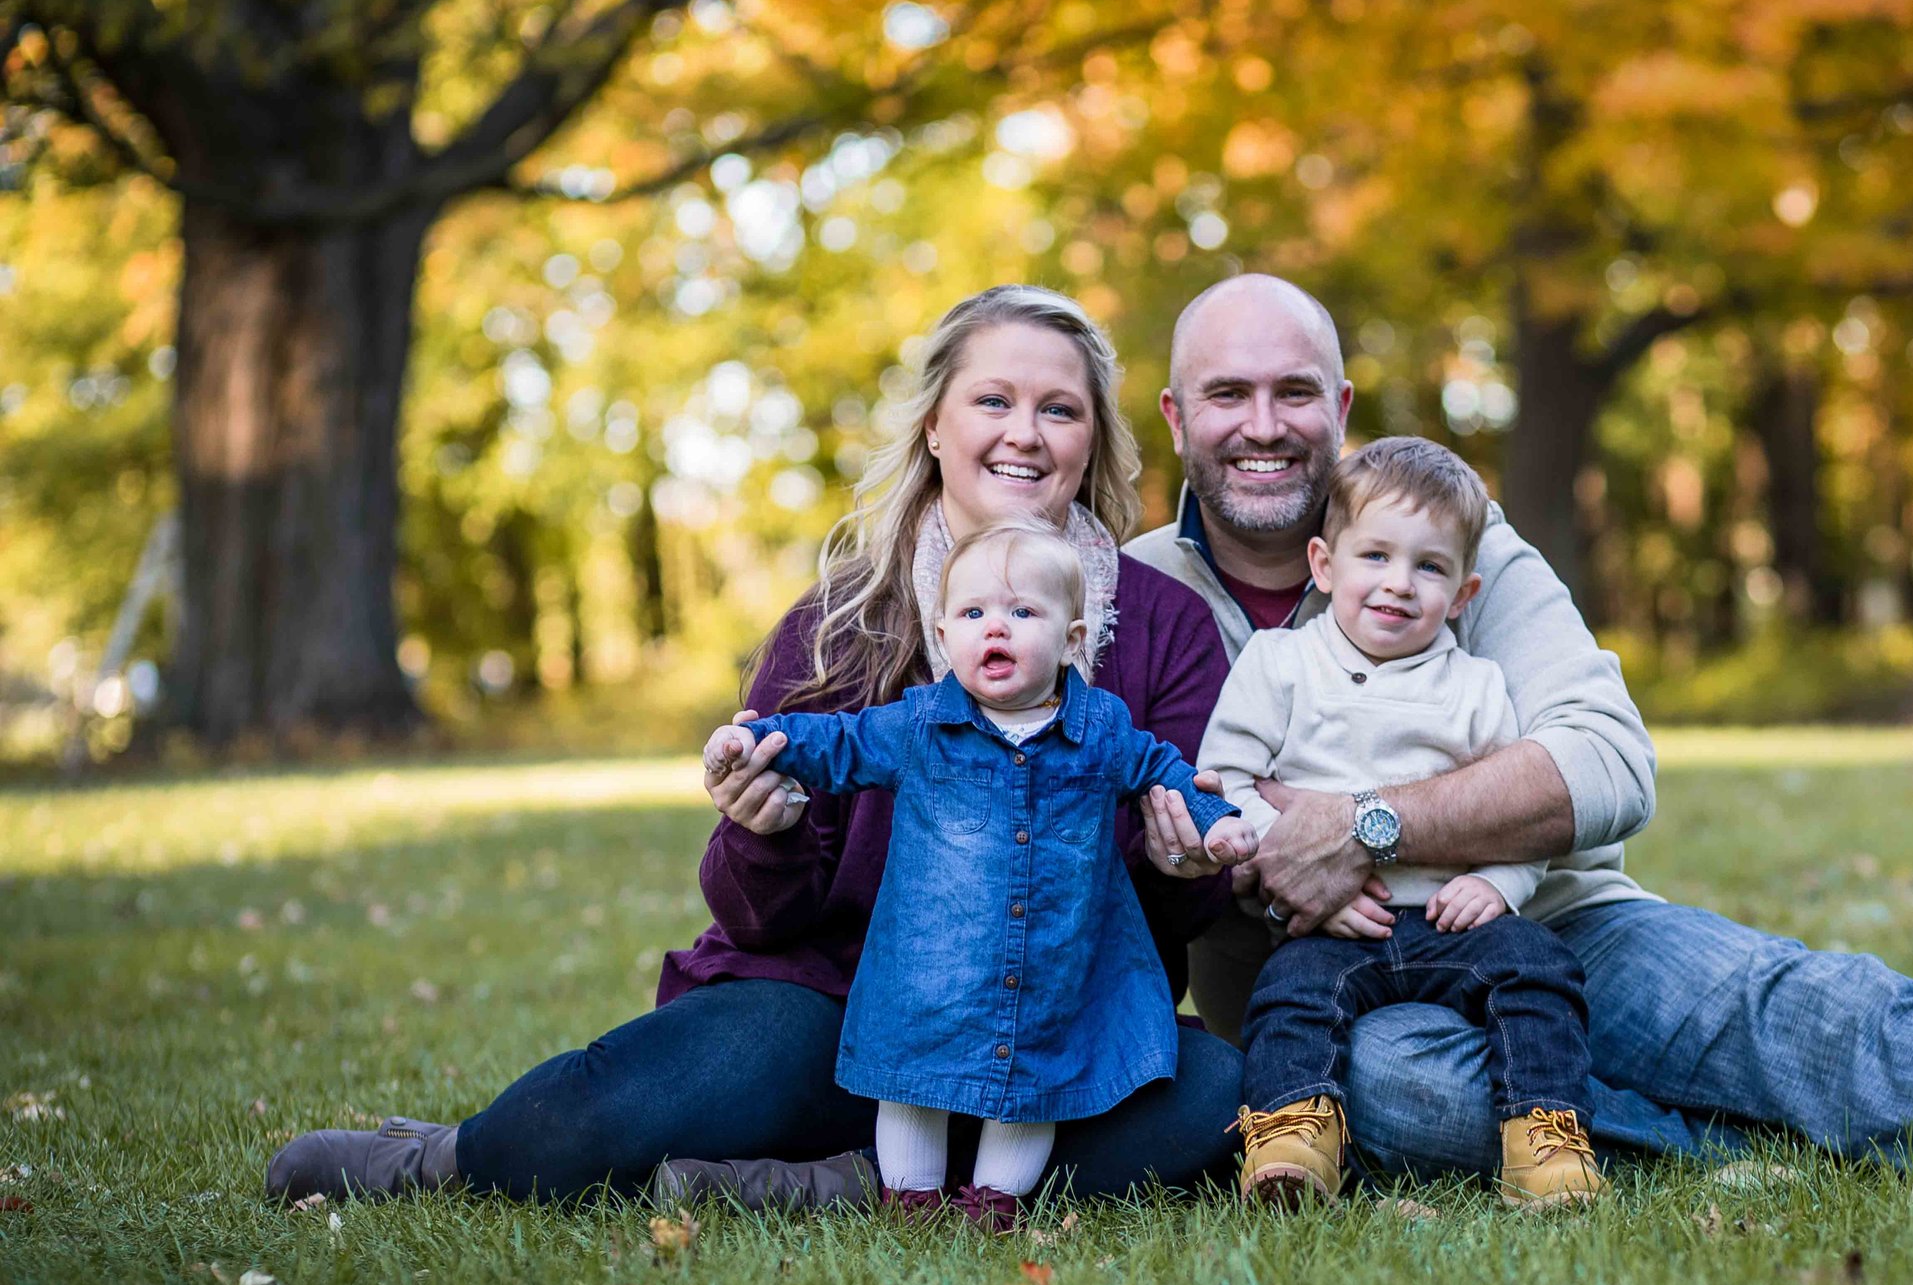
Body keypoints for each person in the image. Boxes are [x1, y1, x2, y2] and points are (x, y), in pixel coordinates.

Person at [1130, 273, 1913, 1175]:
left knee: (1774, 999)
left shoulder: (1451, 538)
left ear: (1337, 406)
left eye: (1293, 391)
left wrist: (1366, 823)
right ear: (1179, 416)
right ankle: (1735, 1125)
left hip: (1551, 918)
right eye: (1228, 394)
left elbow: (1606, 762)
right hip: (1330, 992)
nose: (1263, 423)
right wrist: (1253, 848)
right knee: (1412, 1094)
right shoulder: (1131, 592)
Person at [266, 285, 1247, 1211]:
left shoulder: (1159, 626)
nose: (1024, 432)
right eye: (993, 399)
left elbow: (1189, 876)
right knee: (613, 1105)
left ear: (1095, 441)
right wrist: (762, 830)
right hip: (827, 1007)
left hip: (1045, 1027)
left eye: (1060, 409)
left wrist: (1183, 857)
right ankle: (440, 1156)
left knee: (1204, 1087)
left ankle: (845, 1184)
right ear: (935, 427)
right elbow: (750, 909)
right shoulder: (838, 622)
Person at [708, 520, 1252, 1231]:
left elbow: (1168, 772)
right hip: (928, 972)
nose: (995, 627)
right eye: (973, 614)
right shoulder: (920, 724)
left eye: (1023, 612)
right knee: (908, 1079)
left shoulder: (1104, 731)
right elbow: (832, 742)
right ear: (943, 636)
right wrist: (753, 740)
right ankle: (910, 1195)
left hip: (1054, 972)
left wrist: (1214, 819)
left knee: (1036, 1084)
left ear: (1073, 639)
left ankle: (993, 1201)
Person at [1199, 438, 1605, 1209]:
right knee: (1289, 991)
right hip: (1333, 924)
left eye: (1429, 566)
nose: (1397, 584)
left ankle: (1545, 1135)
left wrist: (1499, 883)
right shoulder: (1279, 662)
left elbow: (1525, 824)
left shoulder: (1477, 686)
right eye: (1375, 556)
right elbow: (1227, 782)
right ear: (1324, 564)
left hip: (1452, 921)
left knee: (1539, 966)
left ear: (1462, 592)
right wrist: (1292, 868)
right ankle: (1291, 1139)